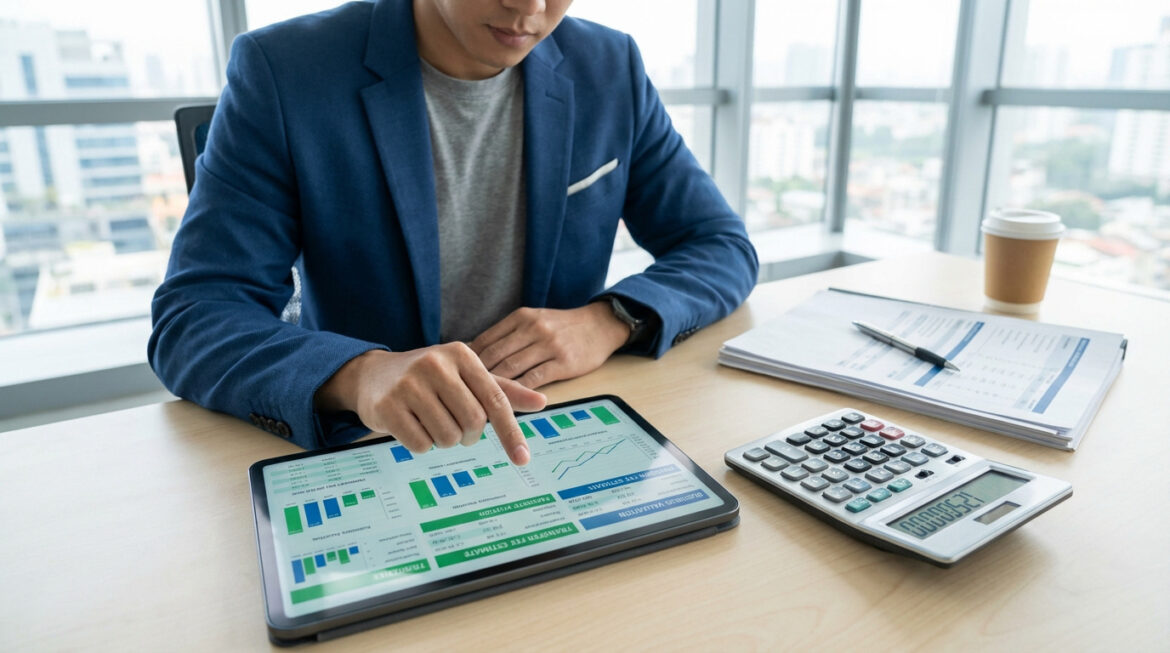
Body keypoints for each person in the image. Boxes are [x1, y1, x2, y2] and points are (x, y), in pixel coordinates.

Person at [148, 0, 758, 466]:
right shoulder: (285, 70)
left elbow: (719, 245)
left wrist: (609, 319)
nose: (529, 8)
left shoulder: (609, 66)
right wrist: (359, 374)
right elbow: (194, 317)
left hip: (555, 431)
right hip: (375, 446)